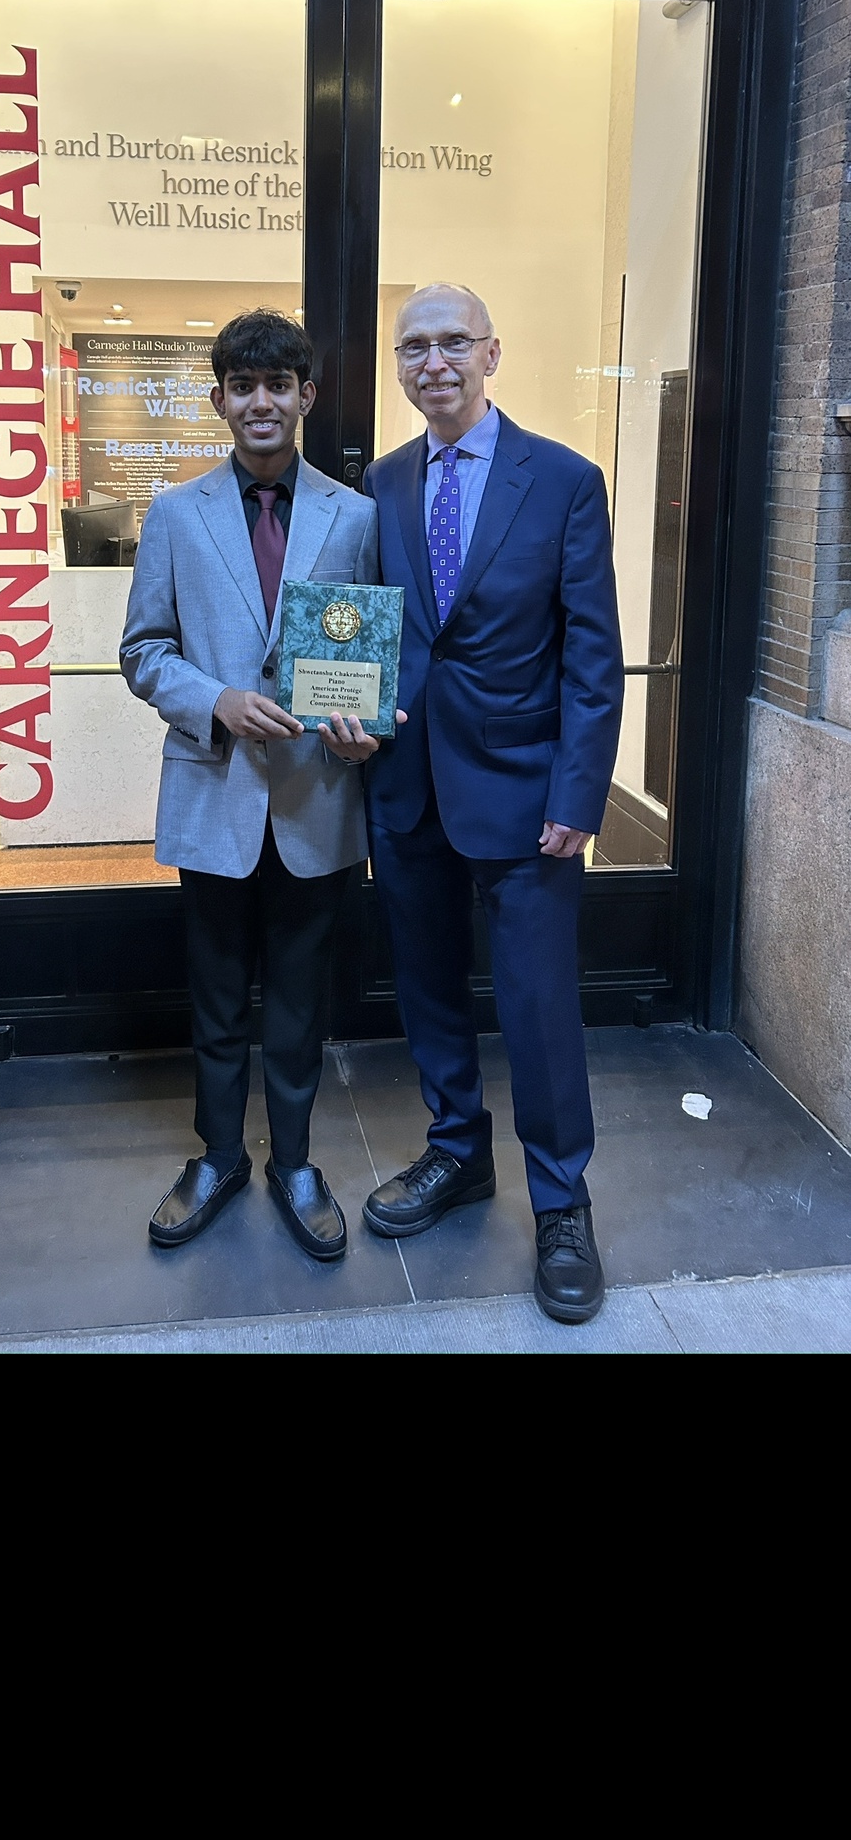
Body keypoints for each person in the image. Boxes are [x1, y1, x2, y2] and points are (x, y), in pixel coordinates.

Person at [361, 282, 624, 1323]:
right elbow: (372, 632)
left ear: (491, 353)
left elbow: (594, 655)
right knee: (426, 988)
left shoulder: (562, 480)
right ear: (400, 365)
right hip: (409, 784)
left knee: (538, 1008)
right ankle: (456, 1153)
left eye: (452, 343)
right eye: (414, 346)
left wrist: (579, 793)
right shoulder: (379, 485)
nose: (434, 362)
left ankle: (561, 1202)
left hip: (528, 794)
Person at [119, 309, 379, 1261]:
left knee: (304, 1002)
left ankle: (297, 1161)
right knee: (219, 996)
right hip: (214, 790)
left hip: (317, 799)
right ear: (220, 399)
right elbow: (142, 650)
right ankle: (220, 1155)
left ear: (306, 397)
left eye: (280, 384)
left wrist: (364, 734)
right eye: (243, 385)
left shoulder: (356, 516)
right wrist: (215, 699)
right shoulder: (175, 514)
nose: (261, 401)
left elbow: (369, 661)